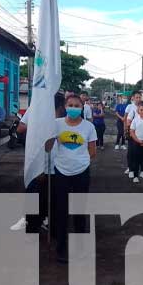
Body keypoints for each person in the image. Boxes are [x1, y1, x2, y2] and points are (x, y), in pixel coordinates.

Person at [46, 94, 97, 263]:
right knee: (61, 211)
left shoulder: (89, 127)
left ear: (82, 108)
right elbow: (47, 147)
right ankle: (61, 248)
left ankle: (80, 248)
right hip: (61, 171)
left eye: (77, 105)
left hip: (81, 172)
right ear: (65, 107)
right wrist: (47, 135)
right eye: (70, 105)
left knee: (79, 211)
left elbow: (93, 152)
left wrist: (79, 161)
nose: (74, 108)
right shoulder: (56, 124)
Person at [11, 93, 65, 233]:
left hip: (57, 164)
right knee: (37, 196)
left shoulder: (62, 116)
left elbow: (21, 128)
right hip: (38, 162)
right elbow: (21, 127)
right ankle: (33, 224)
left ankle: (48, 225)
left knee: (51, 197)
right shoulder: (35, 109)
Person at [129, 101, 143, 183]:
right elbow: (132, 131)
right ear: (139, 111)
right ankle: (135, 176)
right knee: (136, 160)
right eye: (141, 110)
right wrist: (138, 140)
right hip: (137, 142)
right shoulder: (135, 119)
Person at [124, 92, 142, 177]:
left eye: (139, 97)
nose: (138, 99)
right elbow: (126, 119)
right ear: (133, 98)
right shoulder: (130, 107)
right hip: (131, 132)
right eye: (137, 97)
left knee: (140, 153)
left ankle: (140, 170)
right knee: (131, 151)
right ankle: (130, 167)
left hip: (141, 133)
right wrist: (126, 130)